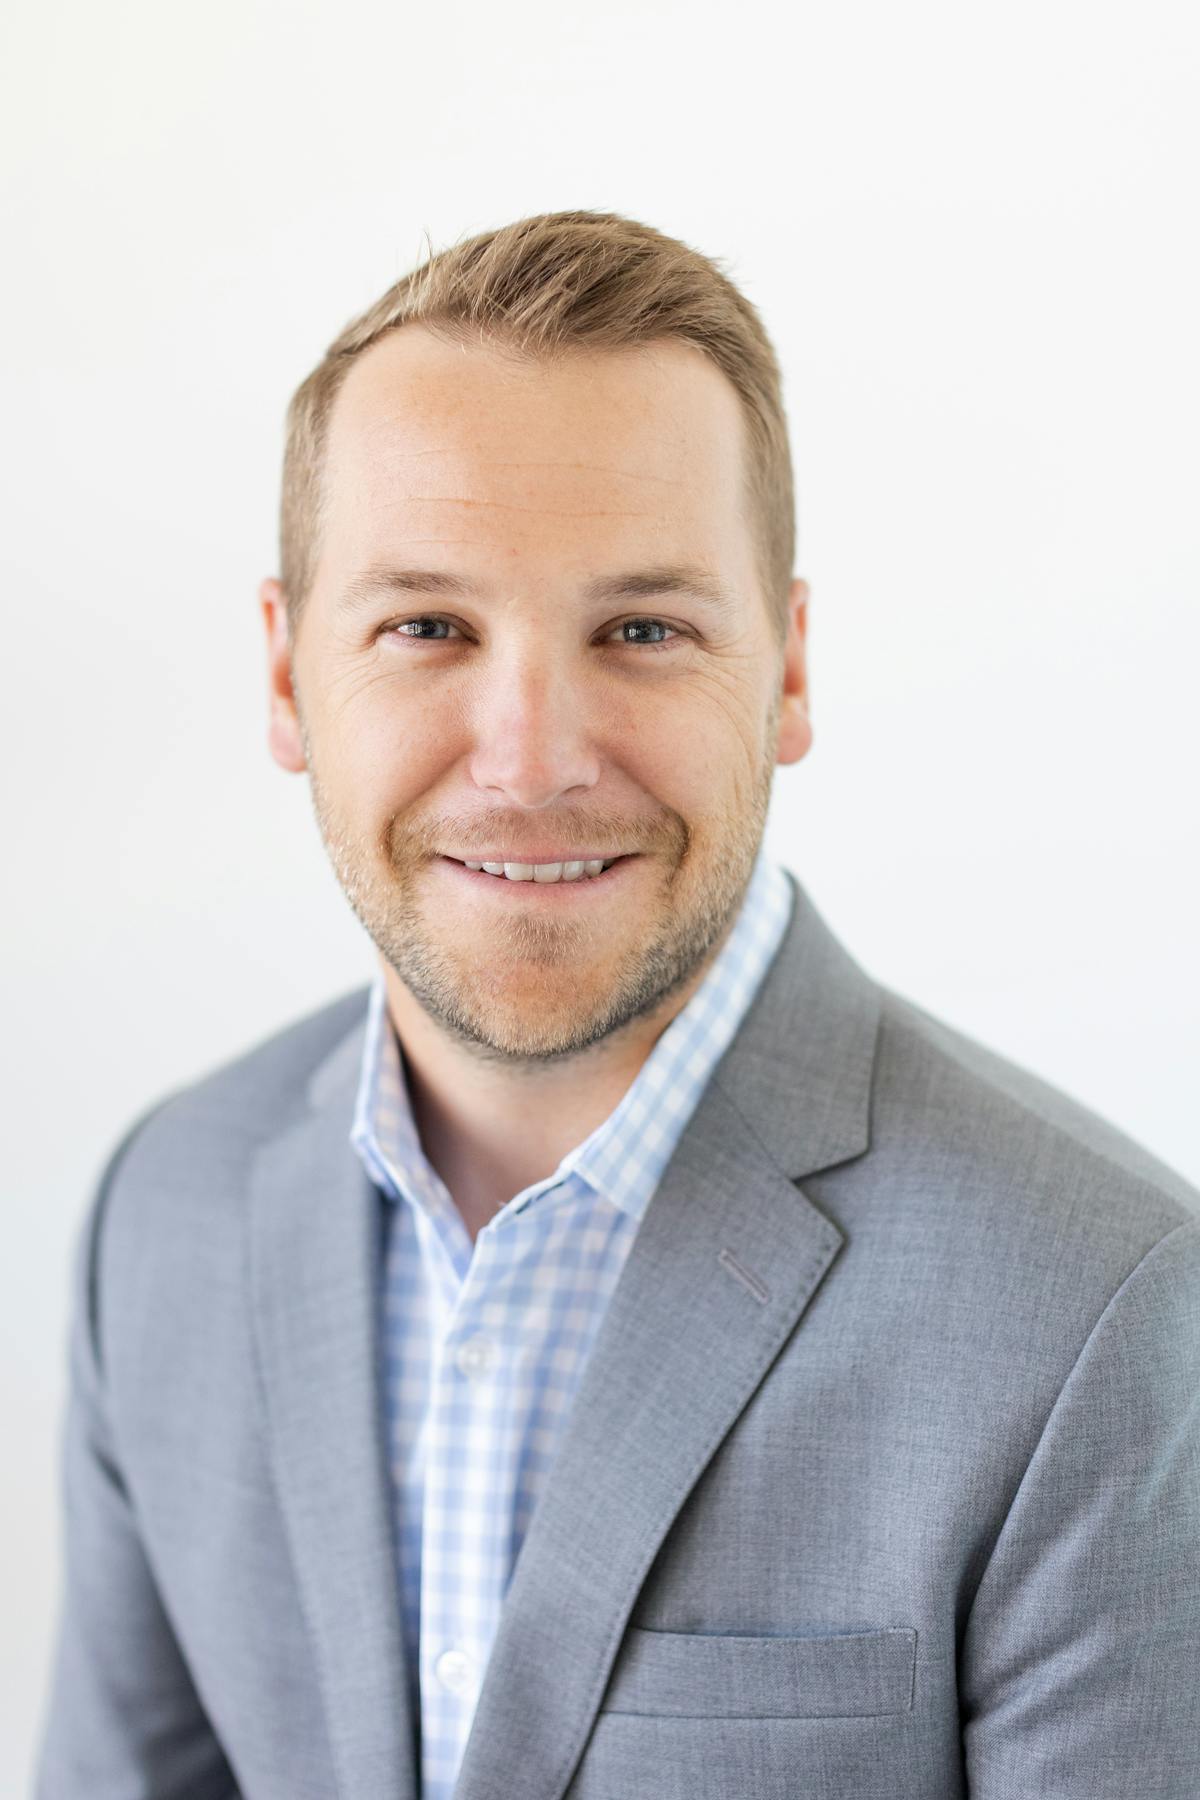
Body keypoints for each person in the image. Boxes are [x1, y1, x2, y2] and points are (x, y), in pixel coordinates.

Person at [35, 209, 1199, 1800]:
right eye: (427, 627)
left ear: (786, 673)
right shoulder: (160, 1217)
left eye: (643, 629)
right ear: (288, 676)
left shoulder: (1103, 1314)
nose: (529, 759)